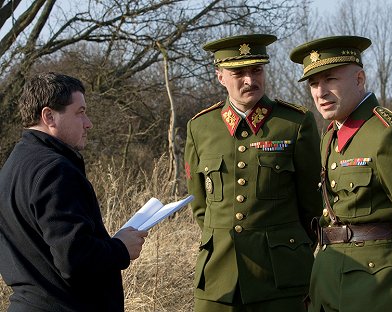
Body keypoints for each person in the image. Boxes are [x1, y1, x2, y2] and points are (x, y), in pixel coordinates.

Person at [290, 35, 392, 312]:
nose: (320, 92)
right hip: (329, 281)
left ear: (359, 79)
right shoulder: (330, 137)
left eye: (330, 79)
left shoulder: (390, 135)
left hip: (379, 288)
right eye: (314, 84)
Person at [184, 34, 323, 312]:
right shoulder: (200, 127)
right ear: (220, 76)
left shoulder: (294, 123)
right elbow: (200, 205)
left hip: (282, 277)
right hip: (218, 277)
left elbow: (312, 204)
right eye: (239, 73)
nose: (250, 80)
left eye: (257, 70)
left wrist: (295, 252)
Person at [0, 72, 148, 312]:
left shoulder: (12, 166)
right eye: (80, 112)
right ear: (49, 116)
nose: (88, 123)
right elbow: (74, 258)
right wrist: (120, 248)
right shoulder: (55, 171)